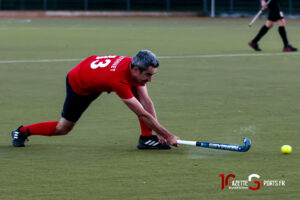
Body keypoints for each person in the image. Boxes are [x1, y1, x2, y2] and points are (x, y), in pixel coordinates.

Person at [11, 50, 180, 149]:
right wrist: (168, 134)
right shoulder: (118, 80)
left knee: (142, 100)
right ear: (136, 69)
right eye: (148, 75)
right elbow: (142, 113)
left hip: (97, 77)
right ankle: (22, 131)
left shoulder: (134, 68)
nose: (150, 79)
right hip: (79, 84)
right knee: (63, 128)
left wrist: (159, 133)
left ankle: (146, 139)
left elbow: (146, 102)